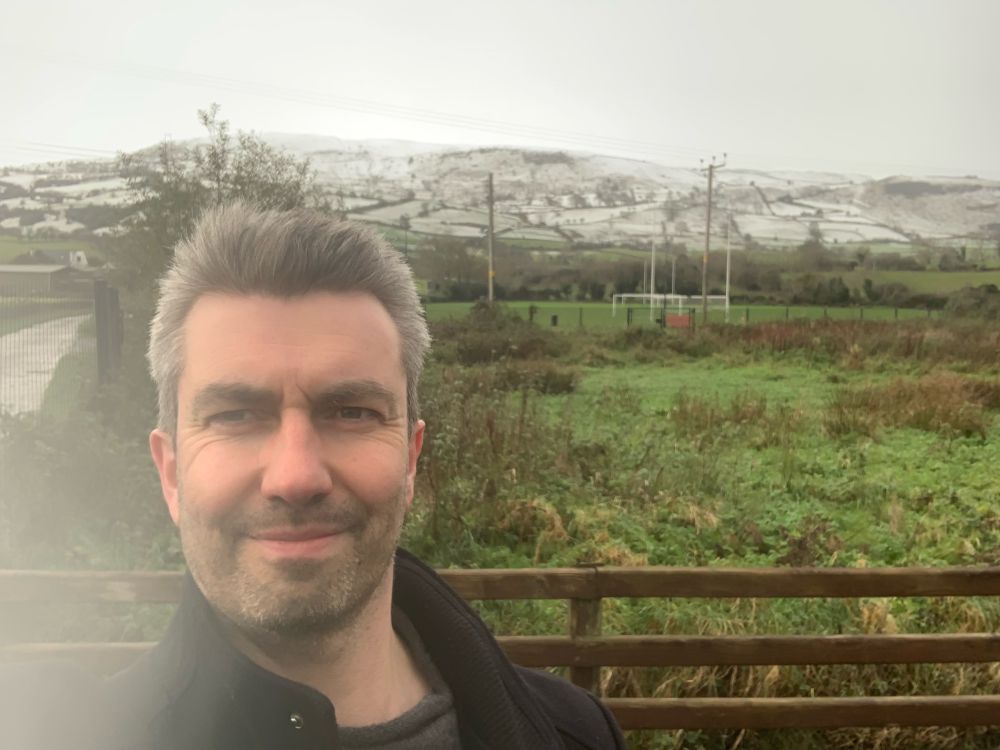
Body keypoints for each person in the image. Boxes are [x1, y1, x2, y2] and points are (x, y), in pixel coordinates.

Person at [2, 203, 626, 749]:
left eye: (351, 411)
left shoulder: (576, 734)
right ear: (171, 472)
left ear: (410, 459)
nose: (296, 476)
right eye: (236, 415)